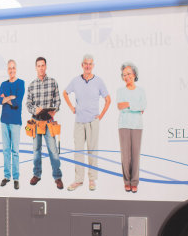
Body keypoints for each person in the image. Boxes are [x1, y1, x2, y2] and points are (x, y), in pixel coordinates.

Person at [62, 54, 111, 191]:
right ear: (82, 65)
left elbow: (108, 99)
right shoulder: (76, 81)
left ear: (93, 66)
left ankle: (92, 180)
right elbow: (65, 93)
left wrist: (100, 116)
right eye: (85, 63)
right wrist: (72, 107)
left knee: (92, 151)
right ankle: (78, 180)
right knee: (78, 151)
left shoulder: (99, 81)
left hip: (92, 122)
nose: (88, 66)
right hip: (79, 122)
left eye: (90, 64)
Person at [25, 57, 63, 189]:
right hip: (36, 122)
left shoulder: (53, 82)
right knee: (36, 150)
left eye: (43, 65)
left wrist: (54, 111)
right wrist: (35, 110)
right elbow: (28, 104)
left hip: (48, 123)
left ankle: (57, 177)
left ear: (46, 67)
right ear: (36, 68)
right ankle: (37, 175)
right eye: (38, 66)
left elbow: (58, 101)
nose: (41, 68)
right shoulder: (31, 85)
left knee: (53, 151)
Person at [116, 62, 146, 193]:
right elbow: (120, 106)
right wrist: (134, 106)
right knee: (125, 156)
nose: (126, 77)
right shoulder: (120, 91)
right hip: (124, 125)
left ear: (134, 74)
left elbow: (143, 106)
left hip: (137, 126)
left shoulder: (141, 91)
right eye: (124, 75)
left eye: (128, 74)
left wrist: (128, 104)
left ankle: (134, 182)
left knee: (135, 156)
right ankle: (126, 181)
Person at [0, 60, 25, 190]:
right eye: (9, 68)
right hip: (4, 121)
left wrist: (5, 98)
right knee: (6, 150)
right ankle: (7, 176)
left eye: (13, 68)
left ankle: (16, 178)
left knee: (15, 151)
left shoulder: (21, 83)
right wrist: (10, 97)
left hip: (15, 122)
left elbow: (17, 102)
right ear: (7, 70)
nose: (11, 70)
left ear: (16, 69)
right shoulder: (3, 84)